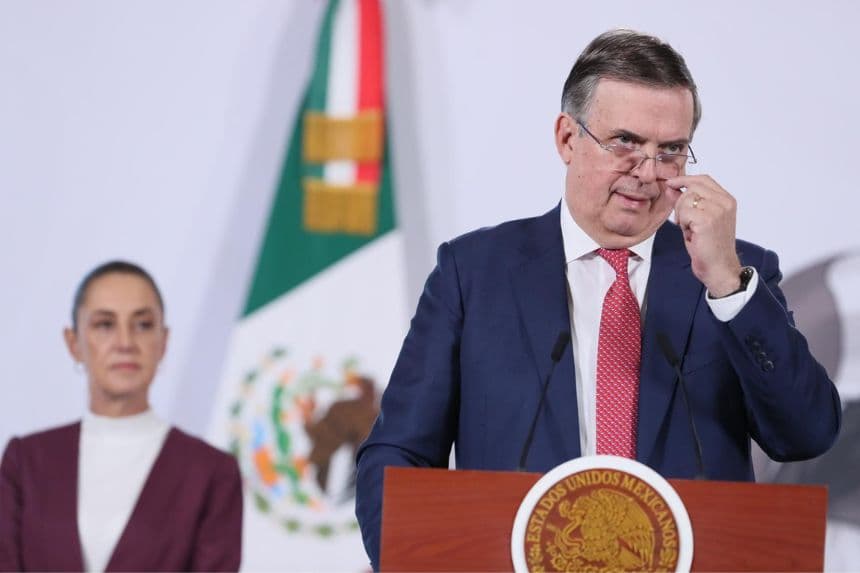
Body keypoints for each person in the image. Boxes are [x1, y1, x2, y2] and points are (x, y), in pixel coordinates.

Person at [354, 29, 842, 569]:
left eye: (671, 151)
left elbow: (806, 434)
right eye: (625, 142)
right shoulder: (474, 273)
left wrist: (727, 284)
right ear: (567, 138)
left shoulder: (734, 273)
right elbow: (397, 454)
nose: (649, 173)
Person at [0, 261, 243, 572]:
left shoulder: (211, 472)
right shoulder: (26, 462)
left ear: (163, 341)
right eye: (105, 324)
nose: (125, 343)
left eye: (142, 325)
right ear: (74, 343)